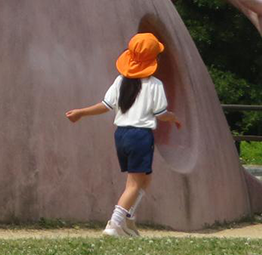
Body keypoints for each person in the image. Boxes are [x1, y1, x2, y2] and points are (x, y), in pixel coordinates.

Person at [66, 32, 183, 237]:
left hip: (121, 135)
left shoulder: (121, 81)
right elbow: (161, 114)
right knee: (134, 183)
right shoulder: (154, 84)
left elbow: (105, 105)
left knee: (145, 179)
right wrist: (173, 118)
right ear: (154, 59)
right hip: (140, 136)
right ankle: (115, 224)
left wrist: (81, 112)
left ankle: (129, 219)